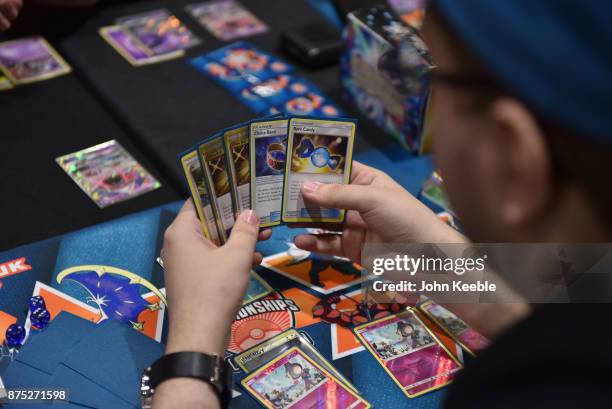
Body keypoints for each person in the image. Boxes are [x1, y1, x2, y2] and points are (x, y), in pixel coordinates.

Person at [153, 0, 612, 408]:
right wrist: (434, 261)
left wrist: (193, 349)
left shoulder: (527, 389)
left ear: (512, 156)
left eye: (434, 83)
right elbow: (579, 313)